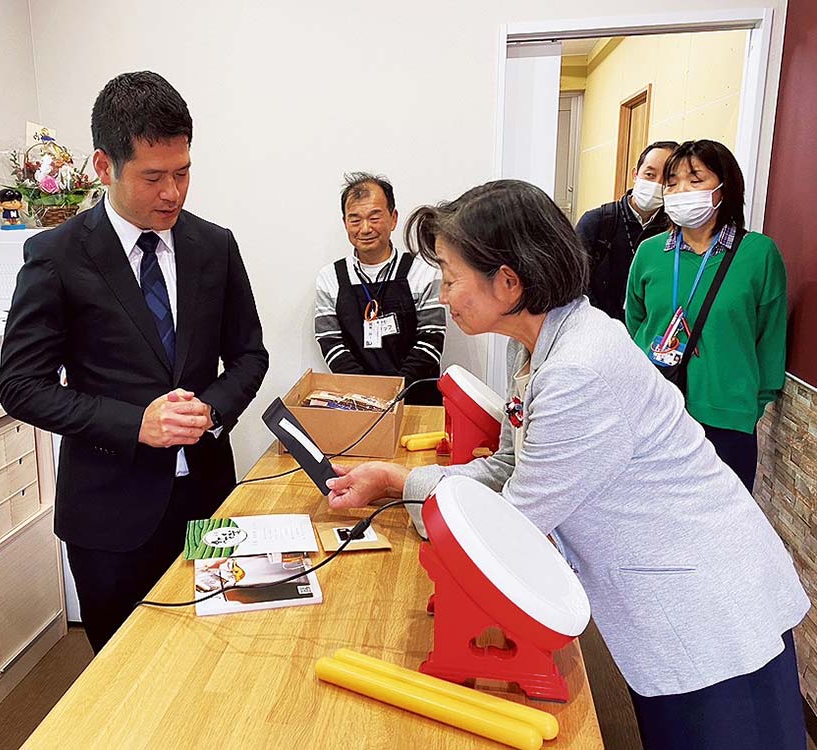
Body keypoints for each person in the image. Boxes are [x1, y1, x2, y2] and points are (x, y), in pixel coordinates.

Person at [325, 179, 809, 750]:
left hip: (708, 612)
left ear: (508, 282)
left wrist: (413, 494)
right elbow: (509, 465)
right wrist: (398, 478)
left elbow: (511, 528)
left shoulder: (579, 369)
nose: (445, 291)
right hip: (672, 601)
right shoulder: (534, 344)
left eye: (452, 277)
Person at [0, 71, 269, 653]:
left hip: (209, 499)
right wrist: (133, 424)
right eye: (153, 177)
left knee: (218, 657)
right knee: (123, 675)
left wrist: (212, 409)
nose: (173, 192)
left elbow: (249, 354)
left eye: (184, 171)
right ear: (104, 166)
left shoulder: (213, 245)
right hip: (108, 516)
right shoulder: (56, 256)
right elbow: (20, 385)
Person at [626, 139, 787, 492]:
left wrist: (749, 405)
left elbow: (769, 338)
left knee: (720, 528)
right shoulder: (650, 252)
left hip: (726, 418)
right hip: (655, 413)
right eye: (673, 182)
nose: (681, 190)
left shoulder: (758, 254)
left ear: (723, 188)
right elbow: (636, 323)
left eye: (695, 180)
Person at [314, 173, 445, 405]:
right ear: (345, 222)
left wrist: (394, 390)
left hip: (418, 400)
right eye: (355, 220)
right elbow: (330, 342)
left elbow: (431, 340)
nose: (365, 228)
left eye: (374, 217)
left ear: (393, 218)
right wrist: (366, 395)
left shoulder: (423, 273)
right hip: (358, 403)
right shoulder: (330, 278)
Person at [575, 141, 678, 321]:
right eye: (650, 174)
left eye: (667, 179)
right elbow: (575, 281)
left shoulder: (674, 230)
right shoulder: (597, 221)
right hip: (596, 330)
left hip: (647, 336)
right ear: (635, 174)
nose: (656, 184)